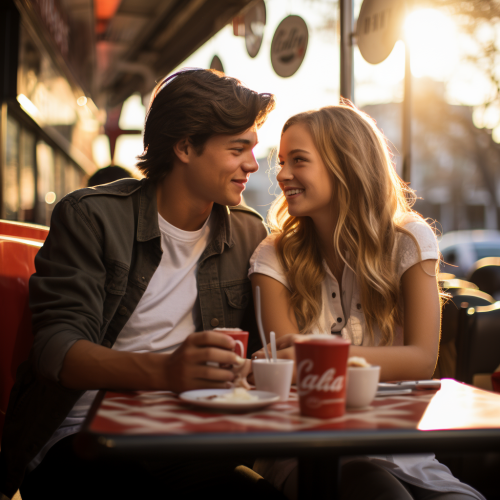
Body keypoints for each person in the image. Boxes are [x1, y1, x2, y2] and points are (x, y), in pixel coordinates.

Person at [0, 69, 279, 500]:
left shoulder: (247, 233)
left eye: (252, 149)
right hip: (82, 438)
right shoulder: (91, 217)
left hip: (187, 439)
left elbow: (266, 352)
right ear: (185, 146)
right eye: (237, 149)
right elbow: (56, 350)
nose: (252, 165)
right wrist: (168, 371)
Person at [248, 104, 485, 500]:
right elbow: (289, 371)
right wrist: (358, 361)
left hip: (400, 445)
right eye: (283, 161)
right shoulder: (273, 255)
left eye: (299, 161)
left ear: (345, 165)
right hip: (305, 451)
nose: (282, 174)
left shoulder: (408, 239)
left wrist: (318, 354)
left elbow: (421, 360)